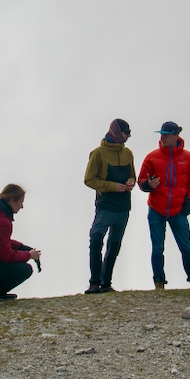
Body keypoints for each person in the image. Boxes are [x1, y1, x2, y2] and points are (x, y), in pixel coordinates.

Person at [138, 122, 190, 289]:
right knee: (157, 248)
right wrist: (149, 185)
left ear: (176, 135)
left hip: (178, 210)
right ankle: (159, 282)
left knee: (186, 247)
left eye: (166, 134)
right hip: (156, 208)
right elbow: (141, 182)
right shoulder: (152, 157)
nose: (162, 137)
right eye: (161, 134)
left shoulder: (189, 158)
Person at [83, 119, 137, 294]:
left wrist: (130, 182)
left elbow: (132, 175)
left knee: (114, 244)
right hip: (105, 205)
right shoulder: (98, 153)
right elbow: (89, 180)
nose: (129, 135)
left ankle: (106, 284)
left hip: (123, 207)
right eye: (126, 132)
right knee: (96, 240)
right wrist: (113, 186)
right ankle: (94, 283)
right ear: (116, 131)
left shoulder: (128, 153)